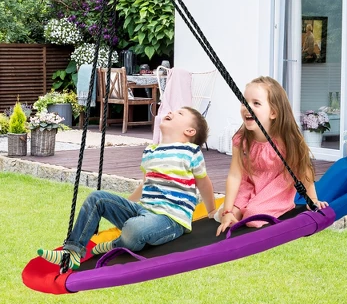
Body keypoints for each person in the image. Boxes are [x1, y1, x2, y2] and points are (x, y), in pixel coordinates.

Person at [38, 107, 217, 270]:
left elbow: (203, 182)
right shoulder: (151, 151)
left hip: (170, 219)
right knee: (97, 198)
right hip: (142, 211)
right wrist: (126, 204)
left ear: (189, 131)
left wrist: (211, 211)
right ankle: (72, 251)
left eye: (180, 113)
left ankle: (116, 244)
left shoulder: (191, 151)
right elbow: (146, 183)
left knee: (134, 229)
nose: (171, 112)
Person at [216, 76, 328, 236]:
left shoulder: (287, 140)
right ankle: (239, 207)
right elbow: (235, 175)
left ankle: (259, 207)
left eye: (256, 103)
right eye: (244, 102)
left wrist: (313, 200)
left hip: (276, 187)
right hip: (250, 184)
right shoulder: (241, 139)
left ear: (273, 113)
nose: (247, 107)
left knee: (252, 218)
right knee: (229, 215)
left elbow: (304, 168)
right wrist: (227, 211)